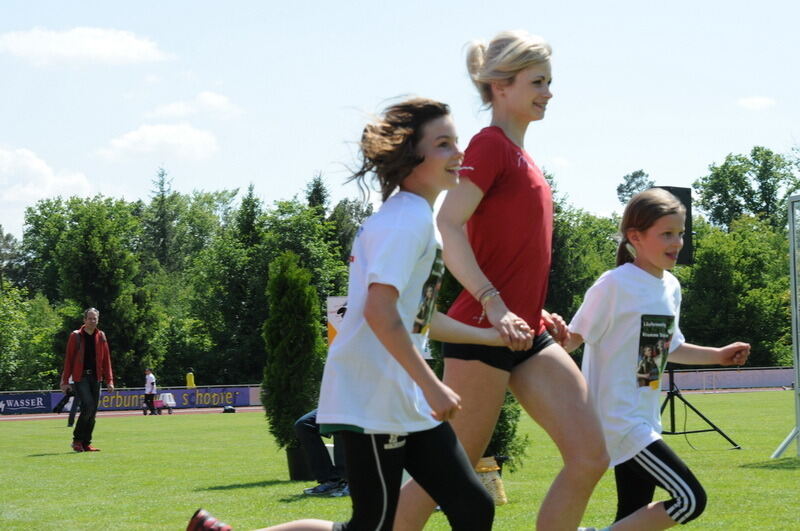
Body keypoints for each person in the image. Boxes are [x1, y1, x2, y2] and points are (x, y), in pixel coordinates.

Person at [189, 98, 514, 531]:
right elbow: (381, 313)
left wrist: (493, 337)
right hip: (374, 398)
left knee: (473, 506)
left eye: (457, 142)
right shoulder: (405, 222)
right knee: (370, 527)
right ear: (409, 156)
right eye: (444, 144)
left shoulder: (419, 219)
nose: (460, 154)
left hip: (402, 398)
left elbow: (416, 316)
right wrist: (433, 385)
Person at [394, 30, 609, 531]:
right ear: (500, 87)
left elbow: (515, 252)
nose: (548, 92)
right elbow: (447, 226)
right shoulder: (490, 146)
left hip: (526, 331)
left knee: (590, 455)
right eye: (538, 82)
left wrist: (534, 310)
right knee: (443, 477)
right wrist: (493, 302)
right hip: (484, 333)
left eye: (549, 82)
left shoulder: (521, 155)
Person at [563, 188, 751, 530]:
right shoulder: (614, 285)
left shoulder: (671, 287)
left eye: (680, 233)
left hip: (645, 420)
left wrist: (719, 356)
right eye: (666, 233)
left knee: (631, 518)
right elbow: (572, 340)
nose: (677, 242)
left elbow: (666, 351)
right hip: (618, 422)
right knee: (690, 499)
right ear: (635, 237)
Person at [60, 307, 114, 452]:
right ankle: (77, 440)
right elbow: (69, 360)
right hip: (81, 377)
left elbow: (106, 360)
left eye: (94, 318)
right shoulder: (75, 335)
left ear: (98, 320)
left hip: (96, 378)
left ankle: (86, 443)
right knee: (89, 406)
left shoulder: (101, 336)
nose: (92, 321)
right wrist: (65, 381)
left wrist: (109, 380)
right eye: (89, 318)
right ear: (84, 320)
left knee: (92, 410)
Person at [294, 409, 348, 497]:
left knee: (340, 424)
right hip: (331, 404)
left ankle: (349, 481)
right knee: (304, 425)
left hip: (354, 405)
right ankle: (331, 480)